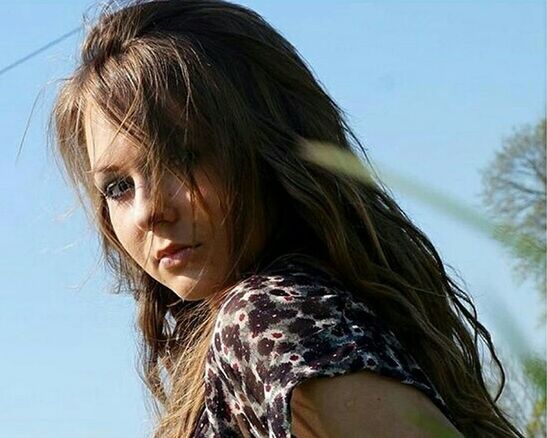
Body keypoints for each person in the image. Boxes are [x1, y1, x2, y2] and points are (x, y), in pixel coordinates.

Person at [50, 0, 524, 436]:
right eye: (118, 186)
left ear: (269, 148)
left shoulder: (270, 320)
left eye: (184, 156)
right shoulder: (284, 320)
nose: (150, 210)